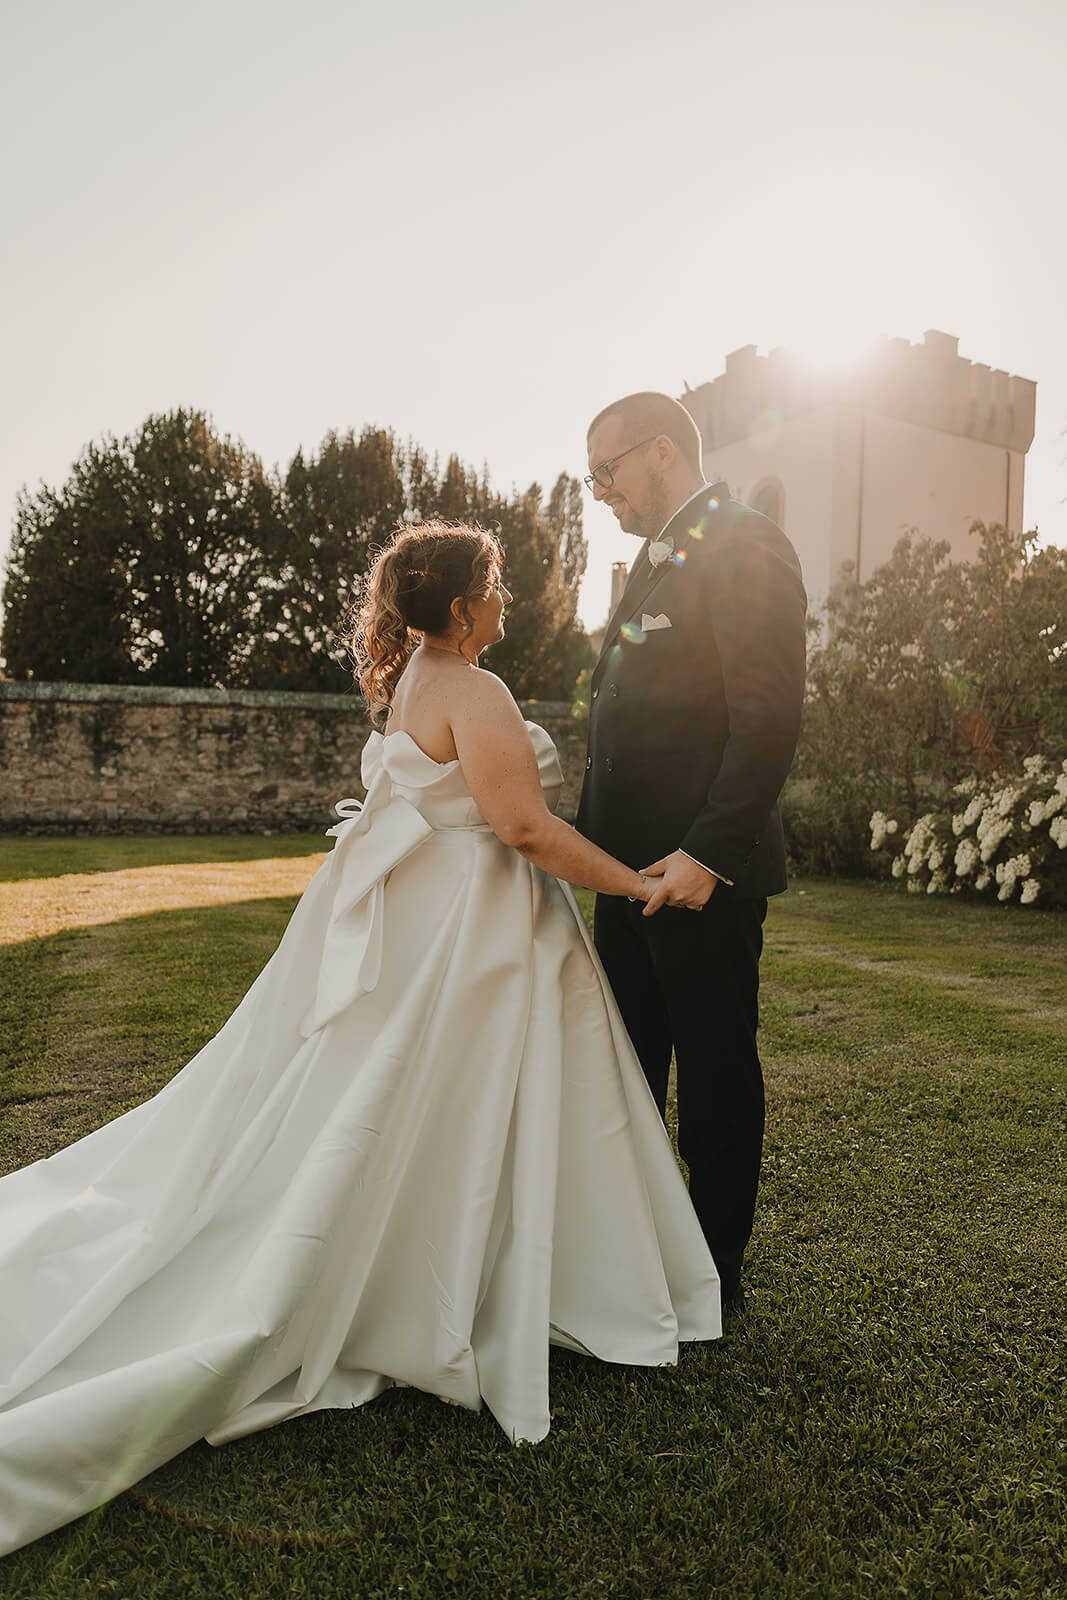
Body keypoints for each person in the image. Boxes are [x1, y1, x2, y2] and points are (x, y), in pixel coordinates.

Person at [0, 519, 720, 1559]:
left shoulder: (412, 685)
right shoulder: (476, 693)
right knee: (463, 1097)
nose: (510, 604)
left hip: (427, 918)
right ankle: (477, 1277)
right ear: (466, 606)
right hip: (471, 934)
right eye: (501, 590)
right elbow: (519, 827)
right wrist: (636, 878)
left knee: (396, 1100)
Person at [576, 393, 807, 1306]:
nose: (597, 491)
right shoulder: (651, 561)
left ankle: (713, 1275)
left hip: (699, 877)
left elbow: (768, 716)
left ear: (661, 452)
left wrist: (707, 857)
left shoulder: (745, 543)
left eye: (606, 470)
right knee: (627, 1071)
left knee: (712, 1075)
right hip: (622, 875)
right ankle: (636, 1253)